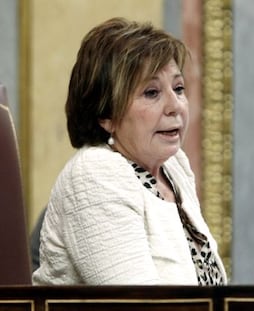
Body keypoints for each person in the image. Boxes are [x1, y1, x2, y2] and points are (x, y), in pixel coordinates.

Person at [32, 17, 227, 285]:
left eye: (178, 88)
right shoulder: (94, 174)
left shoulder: (174, 168)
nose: (175, 106)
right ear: (106, 115)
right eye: (151, 93)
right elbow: (140, 303)